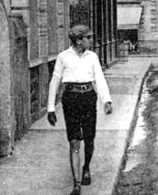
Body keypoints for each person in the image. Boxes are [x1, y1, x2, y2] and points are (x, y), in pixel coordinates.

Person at [47, 25, 113, 195]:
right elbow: (55, 81)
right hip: (71, 100)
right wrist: (50, 108)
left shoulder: (92, 57)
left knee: (89, 139)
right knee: (74, 141)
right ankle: (76, 184)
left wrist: (106, 100)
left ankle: (86, 167)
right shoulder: (63, 57)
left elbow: (99, 78)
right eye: (88, 37)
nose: (91, 40)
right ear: (78, 40)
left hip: (88, 98)